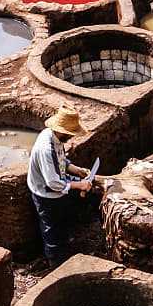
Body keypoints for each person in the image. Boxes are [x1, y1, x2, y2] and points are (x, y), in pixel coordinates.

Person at [27, 107, 93, 266]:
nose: (71, 137)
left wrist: (76, 170)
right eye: (70, 134)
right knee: (51, 229)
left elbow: (61, 160)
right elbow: (53, 182)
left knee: (61, 222)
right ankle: (56, 263)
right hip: (45, 193)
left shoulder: (54, 137)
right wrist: (79, 184)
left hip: (57, 189)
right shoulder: (46, 148)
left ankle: (64, 248)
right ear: (62, 131)